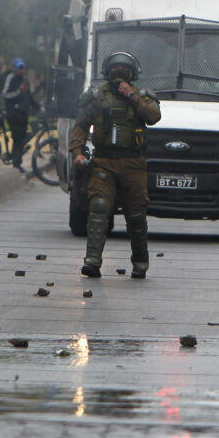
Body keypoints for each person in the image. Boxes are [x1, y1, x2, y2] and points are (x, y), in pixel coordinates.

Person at [69, 52, 161, 279]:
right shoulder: (95, 97)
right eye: (115, 70)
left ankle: (140, 262)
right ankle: (92, 260)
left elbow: (153, 116)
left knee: (136, 215)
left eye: (124, 70)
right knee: (98, 207)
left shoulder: (143, 96)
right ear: (107, 73)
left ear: (133, 74)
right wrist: (77, 152)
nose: (119, 74)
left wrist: (132, 97)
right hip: (104, 162)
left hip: (133, 164)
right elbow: (81, 126)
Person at [1, 57, 40, 173]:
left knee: (22, 138)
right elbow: (5, 95)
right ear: (14, 68)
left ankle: (17, 159)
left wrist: (38, 107)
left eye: (23, 68)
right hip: (13, 114)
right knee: (17, 139)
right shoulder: (11, 78)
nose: (22, 70)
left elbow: (29, 96)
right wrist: (19, 92)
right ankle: (16, 164)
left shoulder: (25, 80)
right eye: (19, 68)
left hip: (23, 114)